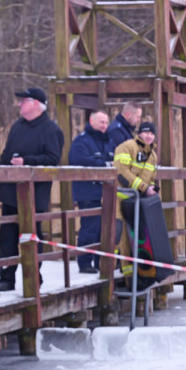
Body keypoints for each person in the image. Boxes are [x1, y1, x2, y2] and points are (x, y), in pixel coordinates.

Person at [0, 86, 64, 292]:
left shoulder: (51, 130)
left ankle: (33, 275)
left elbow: (53, 159)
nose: (19, 104)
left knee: (31, 237)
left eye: (23, 101)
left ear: (36, 104)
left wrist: (27, 161)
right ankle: (6, 279)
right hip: (10, 192)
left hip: (34, 194)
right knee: (6, 237)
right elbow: (6, 154)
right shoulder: (17, 126)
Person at [68, 110, 116, 274]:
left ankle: (100, 262)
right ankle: (84, 262)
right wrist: (105, 165)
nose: (104, 126)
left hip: (106, 192)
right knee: (89, 228)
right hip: (87, 192)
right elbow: (78, 160)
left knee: (104, 229)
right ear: (91, 121)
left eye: (106, 122)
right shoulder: (81, 142)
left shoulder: (109, 141)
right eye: (101, 122)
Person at [113, 121, 158, 285]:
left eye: (152, 133)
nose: (149, 136)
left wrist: (152, 188)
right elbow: (121, 172)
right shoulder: (126, 147)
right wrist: (144, 187)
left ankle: (131, 277)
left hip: (137, 202)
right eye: (146, 133)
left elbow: (151, 178)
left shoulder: (153, 155)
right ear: (139, 134)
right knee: (117, 235)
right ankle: (109, 271)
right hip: (118, 199)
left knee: (132, 237)